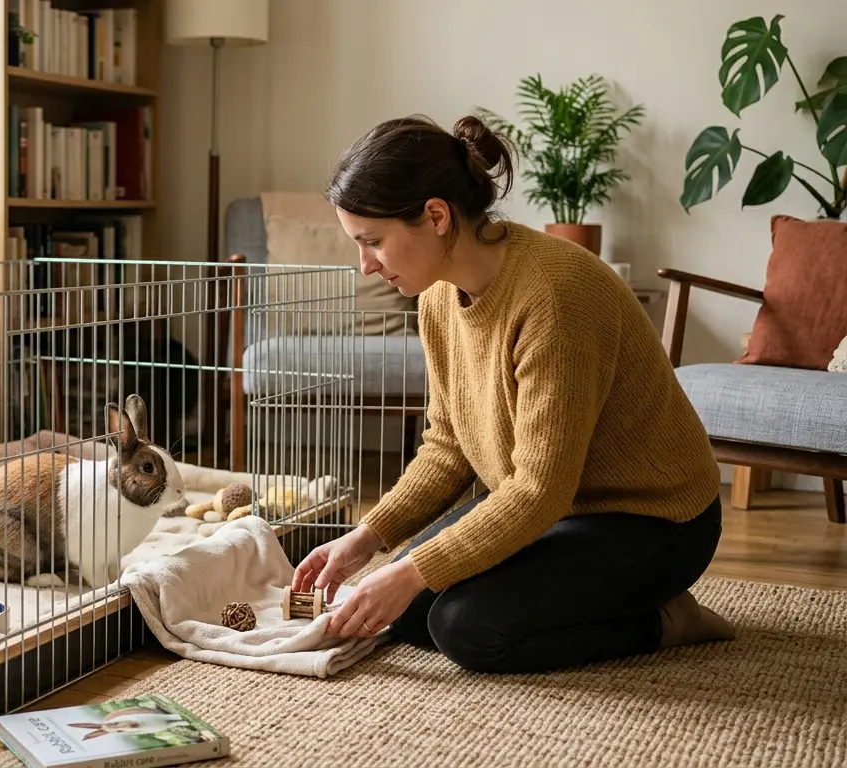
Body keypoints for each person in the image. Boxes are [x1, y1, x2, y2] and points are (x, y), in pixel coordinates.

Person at [291, 114, 735, 674]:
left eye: (373, 242)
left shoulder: (555, 296)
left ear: (435, 215)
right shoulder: (436, 298)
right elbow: (447, 446)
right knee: (402, 613)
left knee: (466, 628)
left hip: (653, 519)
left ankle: (667, 619)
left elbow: (539, 491)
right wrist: (366, 537)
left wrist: (409, 571)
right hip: (552, 507)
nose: (366, 265)